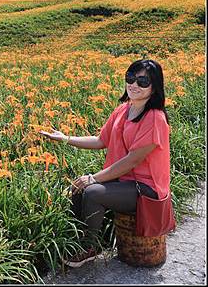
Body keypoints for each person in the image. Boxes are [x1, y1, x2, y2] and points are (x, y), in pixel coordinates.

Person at [40, 59, 170, 268]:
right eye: (130, 78)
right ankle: (77, 242)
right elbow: (101, 140)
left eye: (143, 81)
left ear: (154, 87)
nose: (134, 85)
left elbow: (132, 160)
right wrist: (65, 138)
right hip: (125, 182)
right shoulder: (122, 110)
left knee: (92, 192)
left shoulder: (155, 118)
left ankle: (89, 248)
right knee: (78, 188)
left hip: (147, 189)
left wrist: (93, 178)